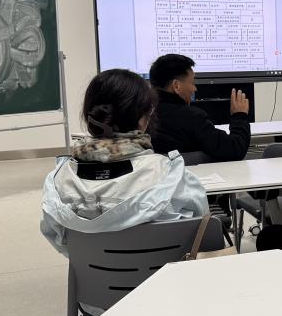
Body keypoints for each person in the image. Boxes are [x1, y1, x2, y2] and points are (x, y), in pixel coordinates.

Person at [41, 68, 209, 256]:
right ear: (143, 119)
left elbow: (59, 240)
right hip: (166, 272)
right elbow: (203, 230)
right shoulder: (170, 175)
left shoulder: (59, 180)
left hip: (93, 273)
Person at [148, 54, 251, 161]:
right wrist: (240, 116)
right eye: (192, 83)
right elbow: (234, 149)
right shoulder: (192, 117)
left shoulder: (143, 115)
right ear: (176, 86)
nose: (195, 89)